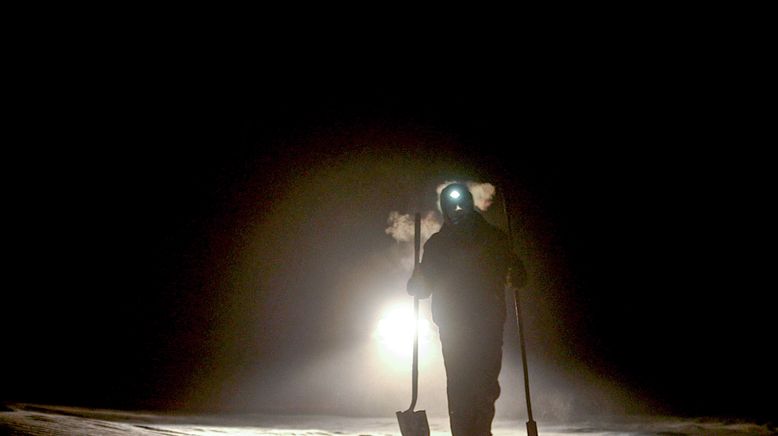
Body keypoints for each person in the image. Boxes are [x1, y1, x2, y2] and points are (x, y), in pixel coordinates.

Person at [407, 182, 527, 436]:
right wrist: (417, 282)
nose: (458, 210)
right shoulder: (438, 245)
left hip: (487, 322)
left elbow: (517, 275)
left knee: (484, 384)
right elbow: (422, 287)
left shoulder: (495, 239)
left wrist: (517, 273)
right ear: (445, 210)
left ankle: (480, 431)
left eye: (462, 205)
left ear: (471, 206)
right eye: (453, 207)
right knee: (461, 384)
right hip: (454, 325)